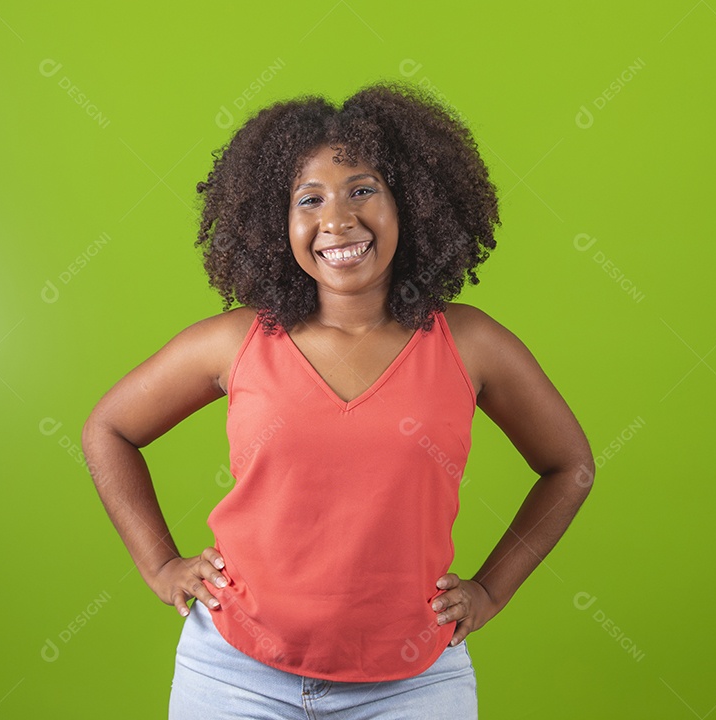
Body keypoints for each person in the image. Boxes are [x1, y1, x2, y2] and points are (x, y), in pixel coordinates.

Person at [81, 80, 595, 719]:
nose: (338, 220)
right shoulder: (234, 342)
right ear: (277, 222)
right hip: (233, 673)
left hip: (414, 684)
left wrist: (490, 590)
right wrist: (160, 565)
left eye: (362, 190)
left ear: (411, 202)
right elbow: (109, 429)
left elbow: (569, 466)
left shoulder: (470, 343)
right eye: (310, 199)